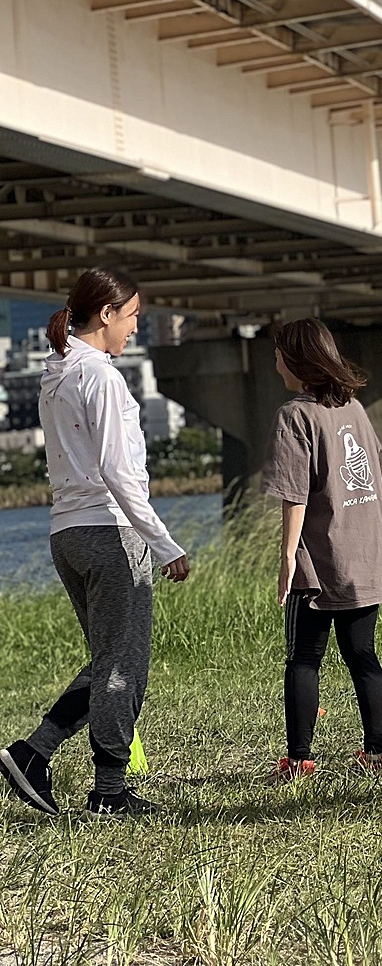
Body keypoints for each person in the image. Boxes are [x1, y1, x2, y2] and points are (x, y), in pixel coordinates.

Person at [0, 268, 190, 818]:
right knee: (124, 666)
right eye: (132, 317)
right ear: (106, 314)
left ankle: (36, 759)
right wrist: (163, 541)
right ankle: (103, 788)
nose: (135, 328)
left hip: (68, 534)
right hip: (110, 533)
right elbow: (117, 470)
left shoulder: (56, 374)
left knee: (108, 659)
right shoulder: (102, 379)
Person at [260, 318, 382, 783]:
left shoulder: (294, 415)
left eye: (278, 353)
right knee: (363, 655)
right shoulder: (354, 409)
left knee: (303, 657)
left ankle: (298, 760)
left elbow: (294, 495)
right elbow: (380, 476)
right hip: (367, 556)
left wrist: (286, 560)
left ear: (296, 361)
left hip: (319, 564)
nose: (274, 360)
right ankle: (377, 754)